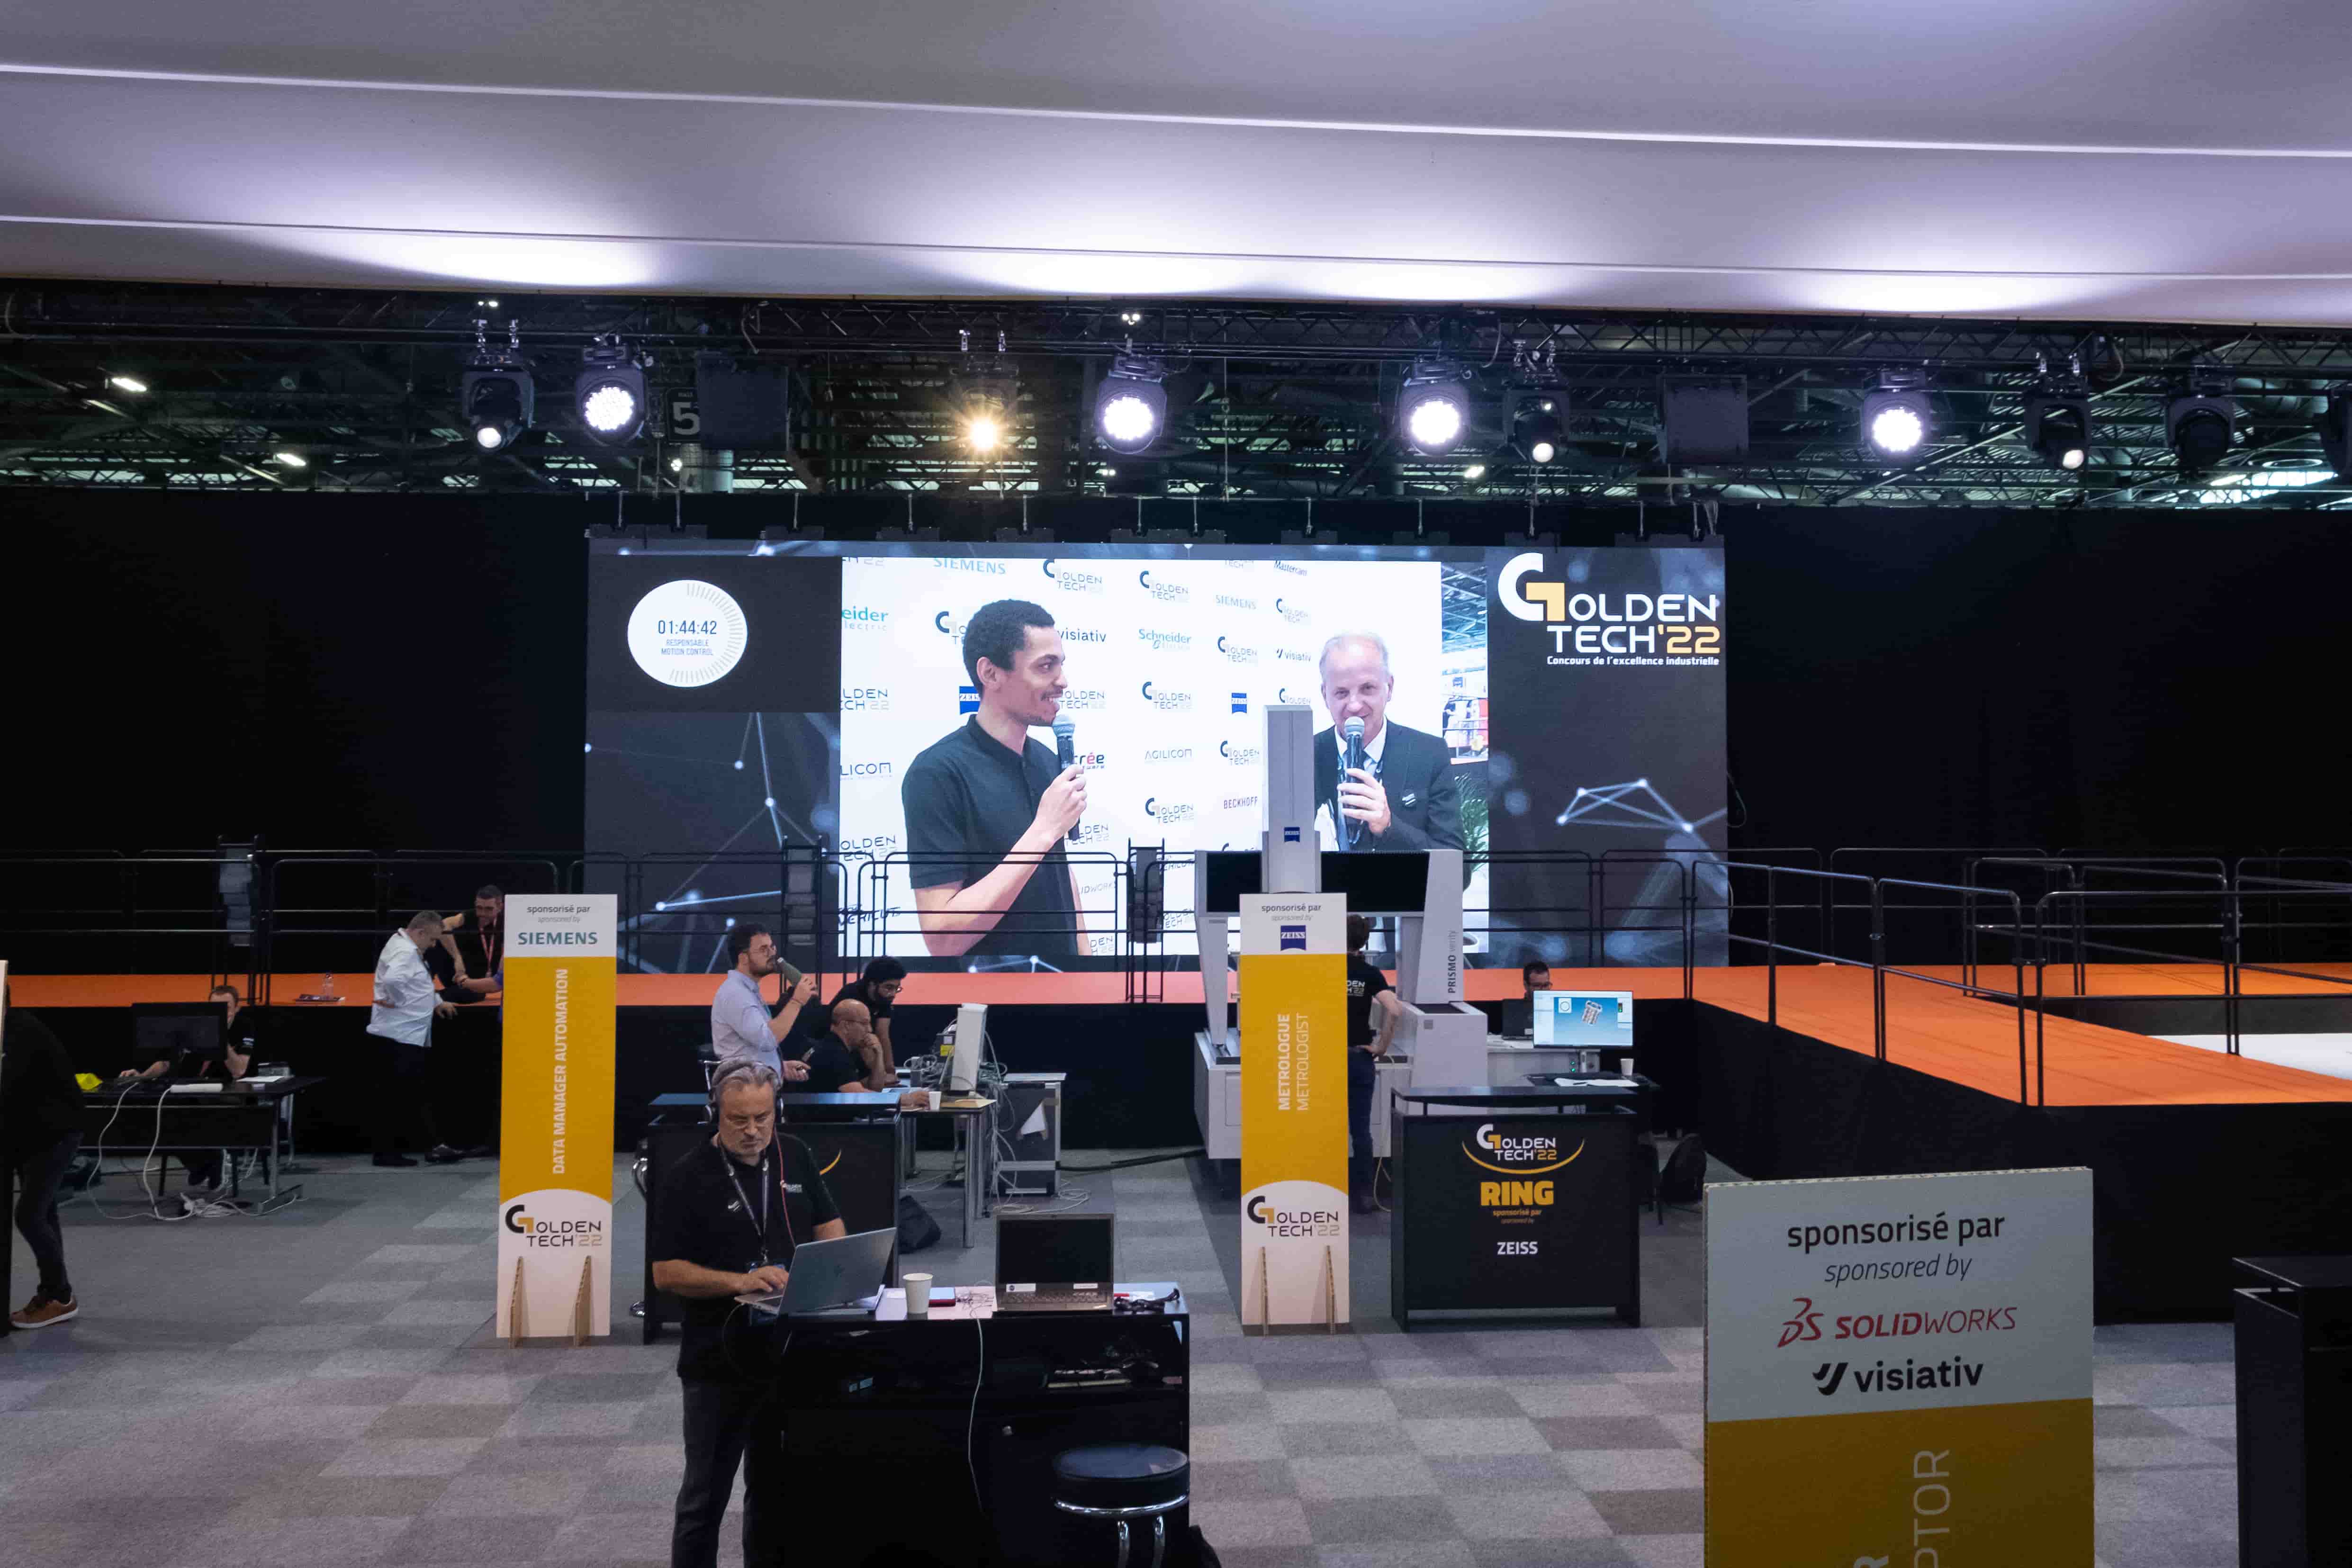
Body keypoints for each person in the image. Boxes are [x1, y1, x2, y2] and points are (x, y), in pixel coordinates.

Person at [650, 1062, 846, 1568]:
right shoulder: (685, 1175)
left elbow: (832, 1232)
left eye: (762, 1117)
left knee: (775, 1489)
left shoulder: (795, 1156)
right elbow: (666, 1274)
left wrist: (823, 1273)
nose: (753, 1130)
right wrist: (739, 1281)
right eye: (738, 1119)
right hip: (718, 1358)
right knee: (704, 1497)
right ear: (715, 1112)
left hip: (786, 1352)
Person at [901, 598, 1088, 962]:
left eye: (1060, 665)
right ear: (990, 674)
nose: (1062, 682)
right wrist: (1044, 829)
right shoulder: (938, 773)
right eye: (1045, 666)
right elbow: (942, 938)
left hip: (1065, 989)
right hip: (989, 1000)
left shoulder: (1047, 760)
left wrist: (1088, 966)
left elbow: (1062, 879)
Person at [1312, 631, 1465, 854]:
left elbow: (1458, 871)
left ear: (1389, 688)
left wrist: (1390, 827)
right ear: (1325, 695)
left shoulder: (1429, 754)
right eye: (1342, 693)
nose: (1354, 705)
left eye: (1367, 689)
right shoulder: (1304, 755)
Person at [116, 983, 255, 1209]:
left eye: (226, 1007)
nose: (220, 1013)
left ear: (236, 1009)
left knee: (193, 1112)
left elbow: (239, 1070)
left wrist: (220, 1038)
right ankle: (202, 1163)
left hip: (225, 1092)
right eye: (214, 1008)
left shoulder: (244, 1026)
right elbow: (167, 1062)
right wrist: (140, 1076)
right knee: (161, 1115)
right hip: (189, 1089)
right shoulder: (195, 1025)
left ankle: (208, 1160)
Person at [4, 985, 86, 1328]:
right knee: (44, 1213)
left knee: (30, 1215)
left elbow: (8, 1085)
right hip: (29, 1134)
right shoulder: (10, 1028)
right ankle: (57, 1296)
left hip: (55, 1134)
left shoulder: (22, 1030)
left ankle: (60, 1295)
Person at [367, 910, 458, 1167]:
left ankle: (430, 1145)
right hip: (401, 1035)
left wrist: (437, 1002)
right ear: (420, 932)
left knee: (407, 1093)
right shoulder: (405, 952)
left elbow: (418, 983)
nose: (433, 945)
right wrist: (399, 1002)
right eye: (432, 940)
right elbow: (395, 980)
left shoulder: (401, 944)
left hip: (402, 1034)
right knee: (400, 1096)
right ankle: (392, 1152)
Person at [1343, 915, 1404, 1215]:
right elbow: (1394, 1009)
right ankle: (1365, 1195)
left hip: (1324, 1062)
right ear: (1364, 941)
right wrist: (1382, 1046)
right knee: (1361, 1131)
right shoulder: (1369, 973)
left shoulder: (1320, 971)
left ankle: (1320, 1192)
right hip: (1359, 1059)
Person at [710, 925, 816, 1081]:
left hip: (754, 1085)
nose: (772, 953)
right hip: (744, 1090)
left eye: (772, 947)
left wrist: (780, 1067)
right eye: (763, 949)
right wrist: (797, 1001)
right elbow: (767, 1039)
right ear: (743, 958)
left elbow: (754, 1046)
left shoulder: (748, 990)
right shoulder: (735, 994)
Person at [786, 999, 927, 1104]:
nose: (870, 1030)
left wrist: (879, 1055)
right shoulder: (833, 1053)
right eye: (865, 1024)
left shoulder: (845, 1048)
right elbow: (858, 1096)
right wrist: (904, 1099)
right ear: (846, 1026)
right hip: (821, 1132)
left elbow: (875, 1089)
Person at [827, 957, 907, 1080]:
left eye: (897, 988)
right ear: (872, 984)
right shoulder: (851, 996)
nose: (893, 994)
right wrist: (880, 1074)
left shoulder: (883, 998)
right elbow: (860, 1041)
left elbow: (883, 1034)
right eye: (889, 987)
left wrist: (891, 1072)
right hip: (837, 1054)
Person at [437, 884, 505, 1001]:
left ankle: (433, 997)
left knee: (474, 995)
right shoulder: (468, 916)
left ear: (500, 907)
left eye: (489, 909)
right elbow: (444, 925)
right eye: (479, 908)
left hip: (486, 979)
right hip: (460, 972)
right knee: (434, 941)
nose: (483, 913)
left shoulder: (507, 922)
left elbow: (498, 983)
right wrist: (457, 957)